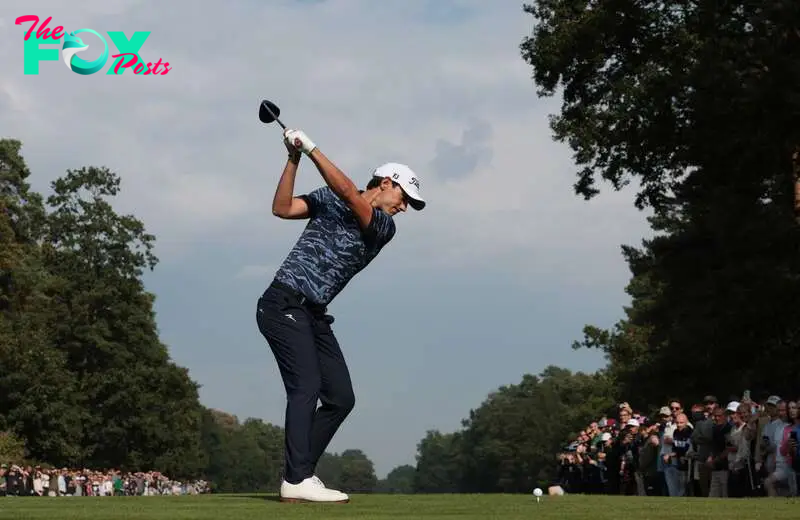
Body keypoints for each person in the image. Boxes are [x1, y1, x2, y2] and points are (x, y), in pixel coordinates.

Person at [256, 128, 426, 503]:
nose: (404, 207)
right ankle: (298, 479)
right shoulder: (326, 200)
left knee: (341, 398)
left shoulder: (383, 227)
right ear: (385, 183)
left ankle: (297, 475)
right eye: (404, 197)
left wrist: (312, 147)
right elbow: (282, 208)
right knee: (306, 387)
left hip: (312, 313)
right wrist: (293, 158)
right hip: (283, 302)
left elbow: (348, 192)